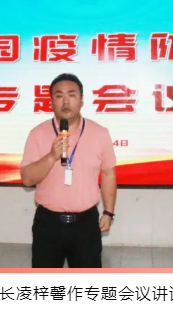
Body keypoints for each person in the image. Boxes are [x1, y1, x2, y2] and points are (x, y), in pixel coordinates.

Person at [20, 73, 117, 268]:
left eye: (72, 95)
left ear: (81, 100)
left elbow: (108, 174)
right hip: (47, 223)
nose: (65, 101)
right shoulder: (37, 134)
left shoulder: (100, 133)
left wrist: (108, 212)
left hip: (86, 223)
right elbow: (27, 179)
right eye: (59, 95)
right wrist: (51, 156)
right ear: (51, 102)